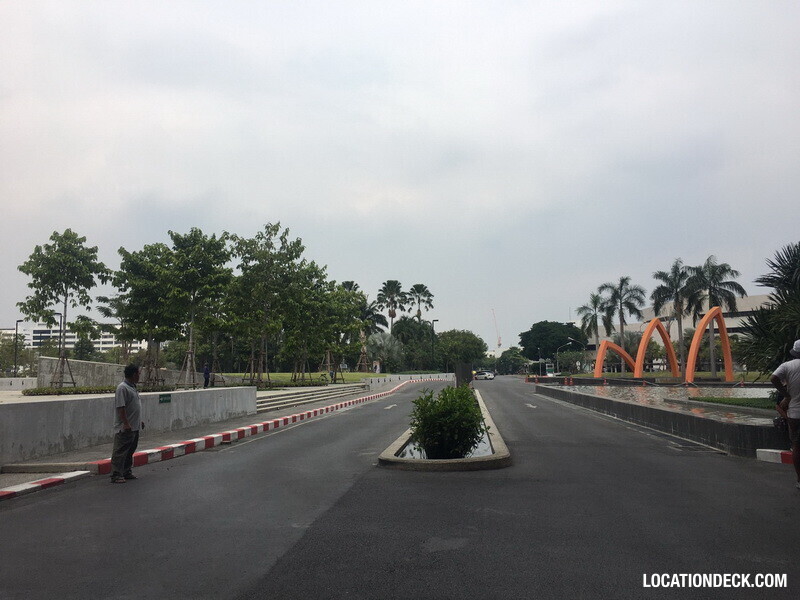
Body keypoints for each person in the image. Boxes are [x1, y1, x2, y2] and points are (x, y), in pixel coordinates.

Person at [771, 339, 800, 490]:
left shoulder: (787, 366)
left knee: (796, 446)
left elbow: (773, 378)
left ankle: (799, 479)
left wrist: (786, 395)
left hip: (794, 413)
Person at [110, 364, 143, 484]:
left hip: (134, 425)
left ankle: (126, 471)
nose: (139, 376)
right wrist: (125, 423)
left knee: (130, 450)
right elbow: (121, 407)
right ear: (134, 374)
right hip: (125, 427)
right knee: (120, 451)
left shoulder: (132, 387)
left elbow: (133, 406)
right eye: (138, 374)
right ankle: (116, 474)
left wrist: (139, 420)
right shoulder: (122, 388)